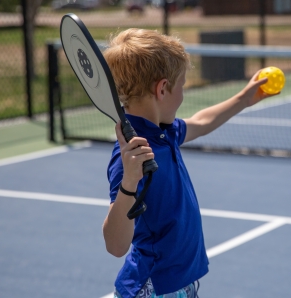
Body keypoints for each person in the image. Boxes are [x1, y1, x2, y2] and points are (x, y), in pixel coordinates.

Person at [101, 28, 278, 298]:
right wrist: (128, 183)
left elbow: (201, 122)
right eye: (181, 85)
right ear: (162, 89)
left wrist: (244, 98)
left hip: (181, 284)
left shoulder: (165, 131)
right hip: (154, 289)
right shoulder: (130, 156)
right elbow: (115, 245)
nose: (182, 94)